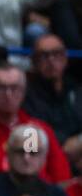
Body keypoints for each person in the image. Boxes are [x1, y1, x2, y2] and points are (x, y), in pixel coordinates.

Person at [0, 62, 72, 192]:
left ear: (24, 91)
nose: (8, 94)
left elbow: (62, 179)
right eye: (1, 88)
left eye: (15, 88)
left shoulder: (34, 130)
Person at [24, 32, 82, 171]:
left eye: (57, 54)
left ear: (66, 58)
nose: (51, 60)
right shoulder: (25, 94)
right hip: (45, 166)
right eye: (44, 55)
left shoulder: (76, 89)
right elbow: (31, 139)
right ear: (33, 61)